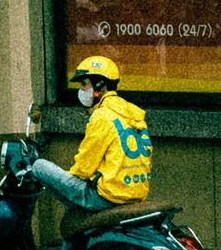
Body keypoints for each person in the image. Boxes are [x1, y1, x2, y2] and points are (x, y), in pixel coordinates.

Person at [27, 53, 153, 219]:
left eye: (84, 84)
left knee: (39, 166)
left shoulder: (102, 116)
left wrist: (69, 181)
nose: (81, 90)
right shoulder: (133, 114)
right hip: (136, 194)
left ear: (100, 87)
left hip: (108, 198)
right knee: (72, 206)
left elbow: (83, 169)